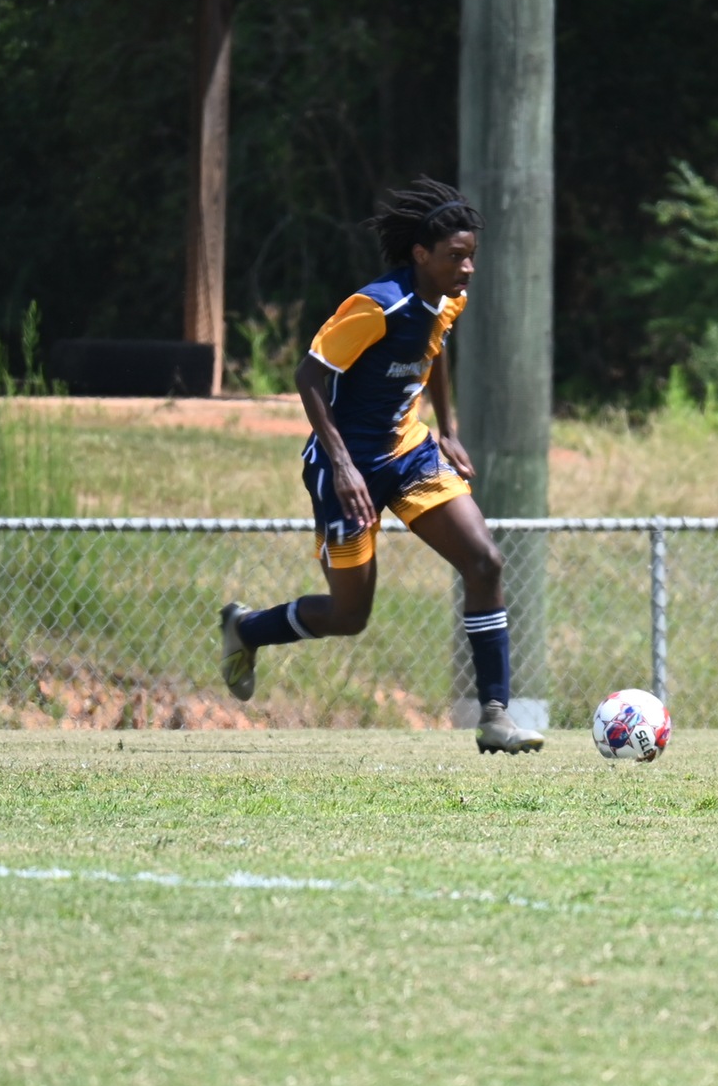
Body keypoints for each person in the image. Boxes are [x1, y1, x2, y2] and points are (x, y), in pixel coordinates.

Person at [218, 177, 544, 754]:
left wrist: (448, 430)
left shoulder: (448, 299)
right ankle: (246, 628)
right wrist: (342, 466)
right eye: (455, 257)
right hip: (346, 472)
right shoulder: (375, 305)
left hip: (410, 453)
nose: (467, 269)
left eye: (471, 257)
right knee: (350, 615)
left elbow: (433, 350)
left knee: (485, 561)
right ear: (421, 255)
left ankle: (496, 715)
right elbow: (308, 376)